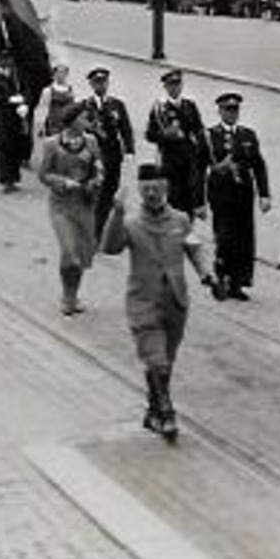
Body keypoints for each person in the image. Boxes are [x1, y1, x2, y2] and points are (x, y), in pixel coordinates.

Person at [101, 163, 217, 443]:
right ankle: (166, 412)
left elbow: (194, 249)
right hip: (143, 301)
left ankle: (152, 412)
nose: (151, 193)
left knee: (165, 360)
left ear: (166, 187)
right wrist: (115, 212)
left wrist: (207, 273)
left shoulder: (181, 220)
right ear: (140, 191)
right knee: (158, 360)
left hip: (176, 301)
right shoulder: (131, 223)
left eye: (156, 187)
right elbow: (109, 246)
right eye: (146, 189)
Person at [36, 102, 103, 315]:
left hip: (85, 205)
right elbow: (43, 174)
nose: (87, 122)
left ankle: (74, 296)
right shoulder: (51, 144)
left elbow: (99, 168)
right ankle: (66, 297)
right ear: (73, 120)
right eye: (84, 118)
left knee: (82, 256)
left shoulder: (91, 142)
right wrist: (63, 182)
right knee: (70, 253)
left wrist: (96, 181)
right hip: (61, 206)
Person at [204, 92, 271, 300]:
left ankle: (238, 282)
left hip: (243, 192)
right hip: (220, 192)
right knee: (224, 236)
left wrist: (264, 194)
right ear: (220, 111)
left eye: (235, 110)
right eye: (228, 110)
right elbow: (198, 168)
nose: (232, 114)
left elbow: (258, 166)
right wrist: (197, 200)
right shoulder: (209, 135)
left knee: (243, 238)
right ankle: (222, 277)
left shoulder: (247, 135)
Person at [145, 69, 211, 218]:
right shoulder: (159, 108)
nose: (174, 88)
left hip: (189, 160)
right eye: (171, 85)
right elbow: (150, 134)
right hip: (171, 161)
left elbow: (199, 129)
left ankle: (187, 232)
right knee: (174, 200)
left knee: (190, 198)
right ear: (166, 87)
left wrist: (202, 148)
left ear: (181, 86)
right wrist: (165, 135)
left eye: (177, 84)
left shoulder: (189, 106)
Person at [82, 66, 136, 238]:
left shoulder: (117, 105)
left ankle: (97, 225)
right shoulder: (85, 106)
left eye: (104, 82)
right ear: (91, 84)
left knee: (110, 189)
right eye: (97, 82)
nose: (101, 85)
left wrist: (129, 150)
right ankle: (94, 232)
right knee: (98, 194)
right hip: (94, 156)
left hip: (113, 156)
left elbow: (126, 129)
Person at [0, 49, 31, 192]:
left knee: (17, 146)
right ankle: (5, 180)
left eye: (9, 58)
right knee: (5, 147)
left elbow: (27, 90)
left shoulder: (18, 76)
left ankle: (14, 178)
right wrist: (9, 99)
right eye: (3, 59)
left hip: (18, 116)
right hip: (2, 117)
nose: (7, 61)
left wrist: (25, 102)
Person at [34, 63, 77, 139]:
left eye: (63, 73)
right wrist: (41, 125)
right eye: (59, 72)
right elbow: (43, 108)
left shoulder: (71, 90)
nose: (61, 75)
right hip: (52, 125)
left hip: (66, 126)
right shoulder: (48, 90)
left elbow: (73, 107)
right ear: (54, 74)